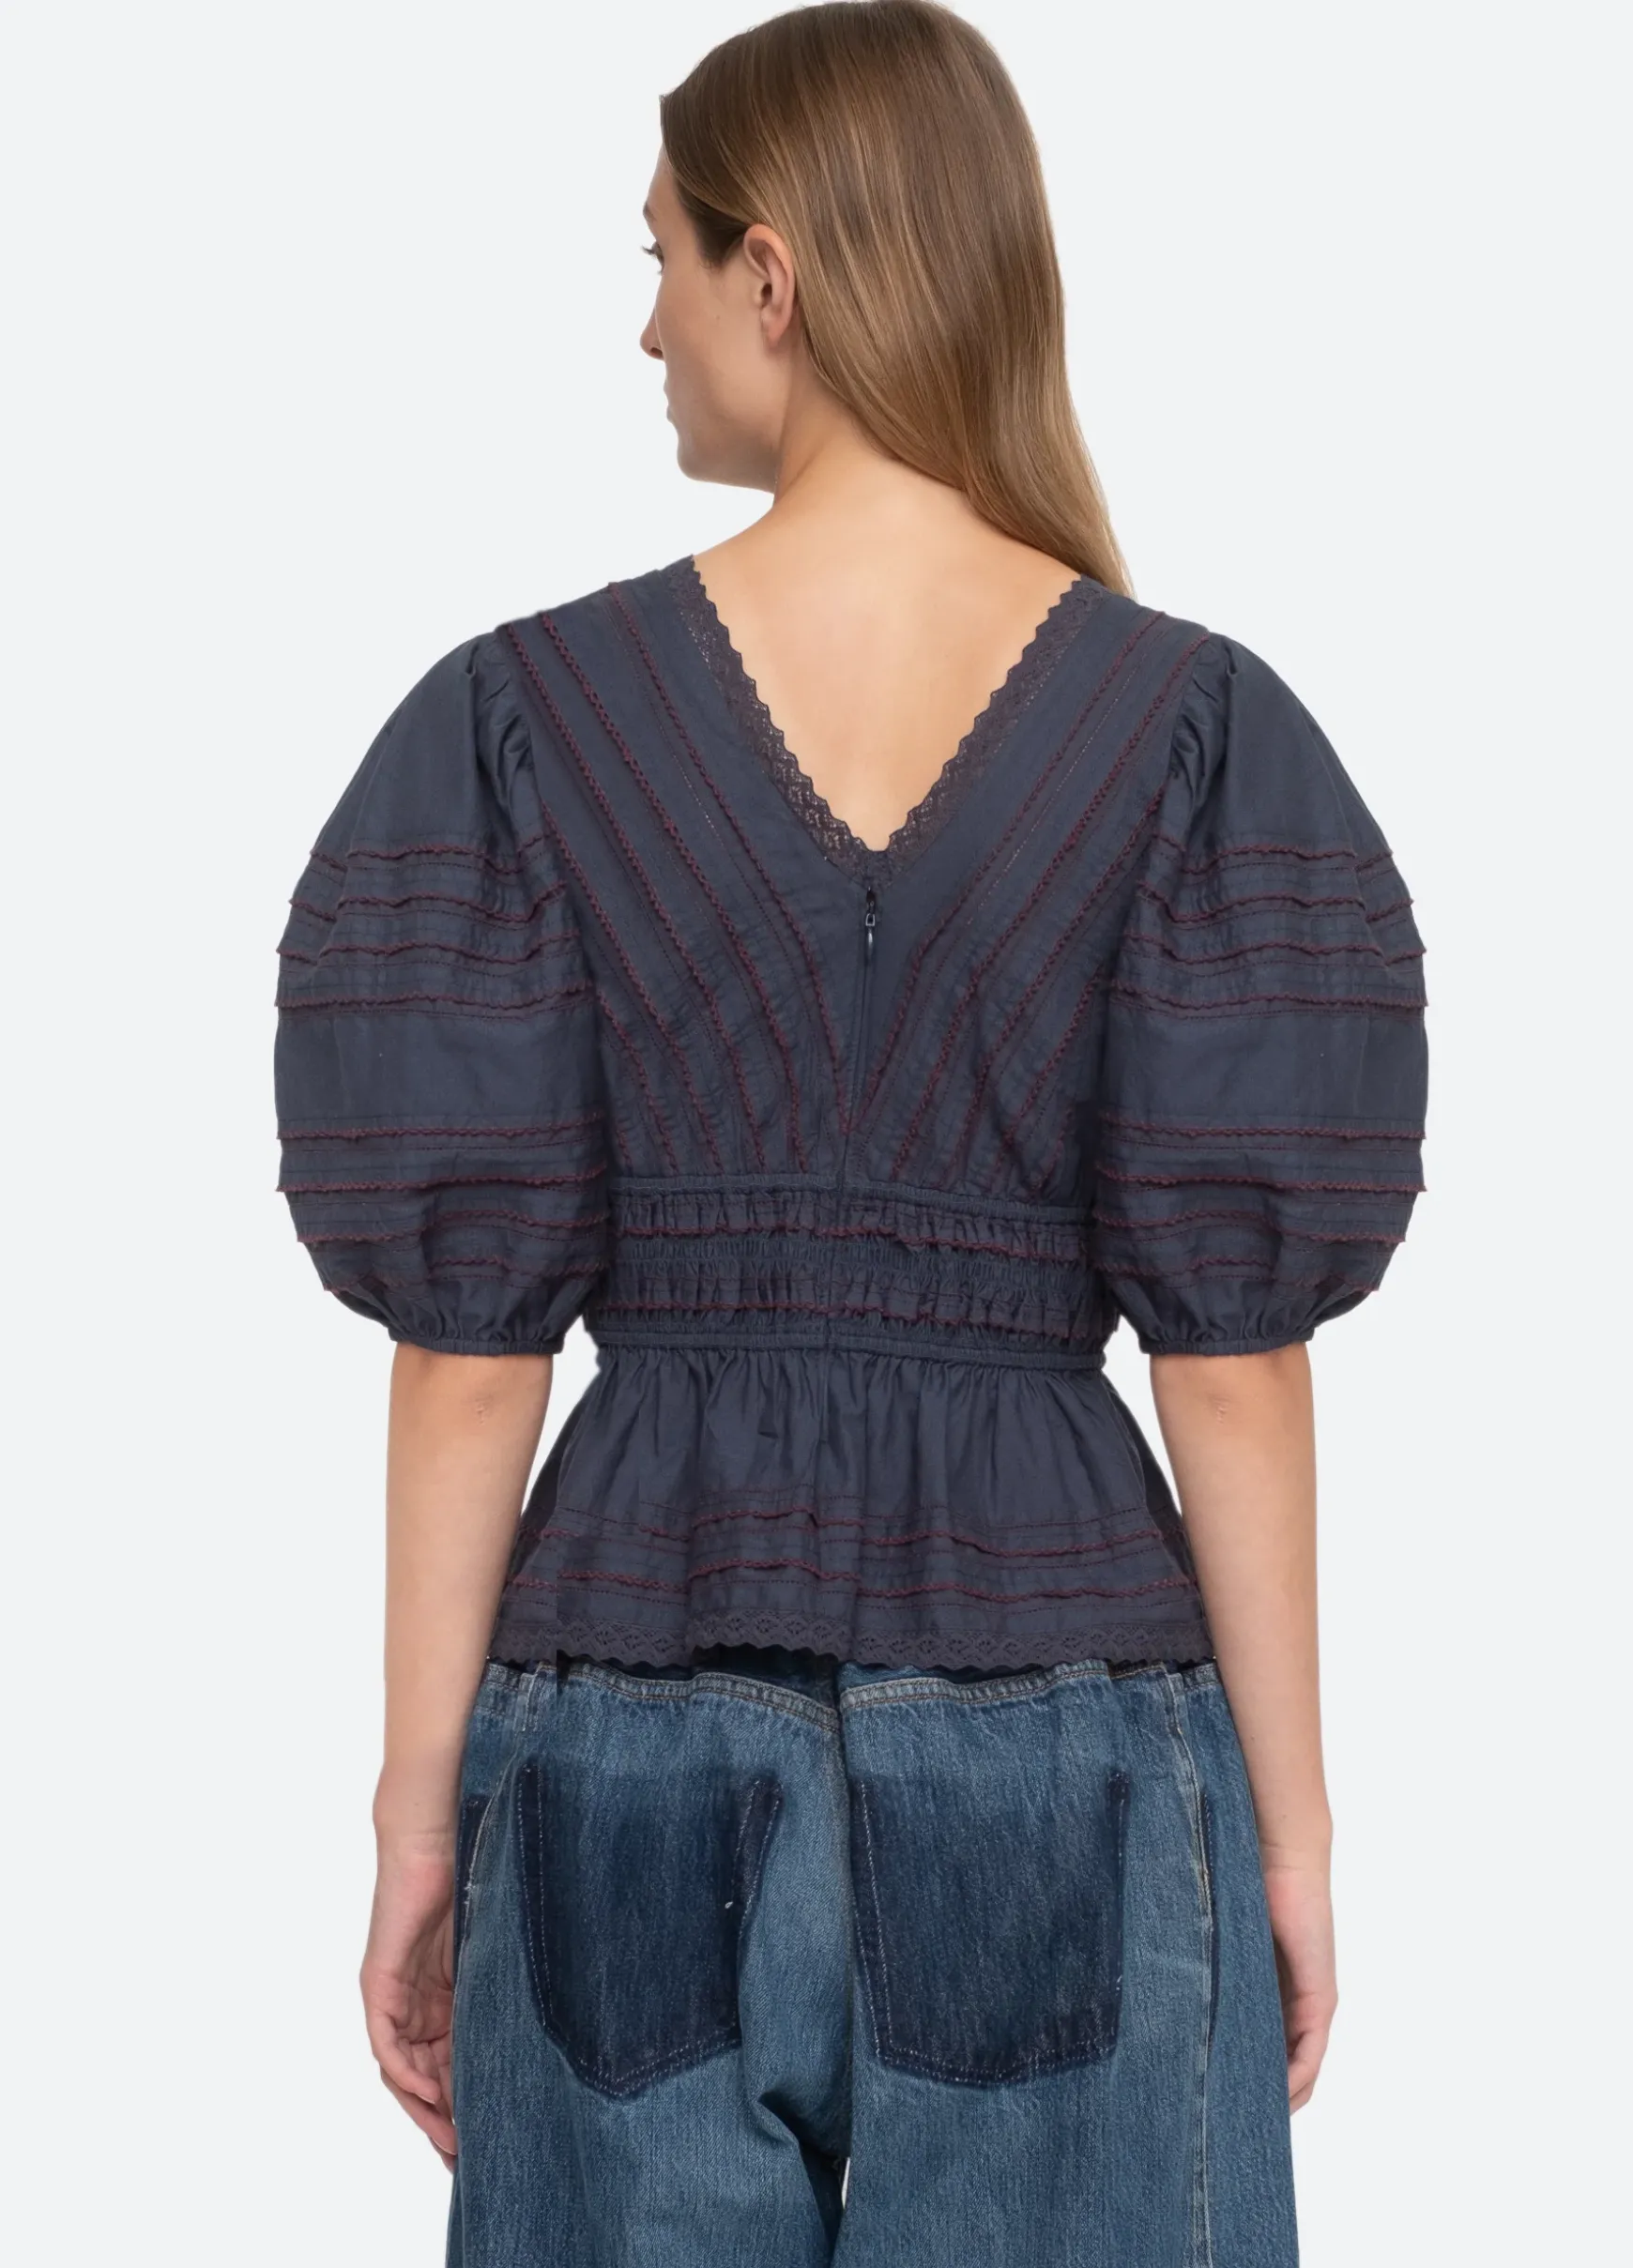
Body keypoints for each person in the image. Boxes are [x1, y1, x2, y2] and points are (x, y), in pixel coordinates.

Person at [273, 4, 1427, 2260]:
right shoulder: (1189, 735)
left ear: (774, 276)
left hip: (624, 1714)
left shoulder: (521, 728)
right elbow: (1231, 1360)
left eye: (663, 259)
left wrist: (416, 1821)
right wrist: (1291, 1832)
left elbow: (471, 1356)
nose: (649, 325)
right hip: (1069, 1727)